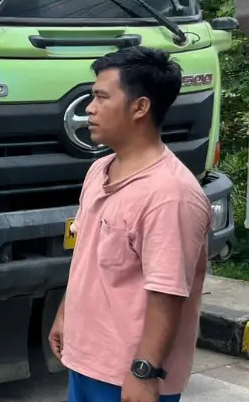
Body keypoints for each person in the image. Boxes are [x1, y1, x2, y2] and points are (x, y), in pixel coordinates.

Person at [49, 46, 212, 402]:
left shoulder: (171, 195)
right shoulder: (99, 170)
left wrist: (144, 373)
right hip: (87, 360)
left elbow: (167, 293)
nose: (89, 108)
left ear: (140, 107)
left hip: (127, 376)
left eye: (101, 97)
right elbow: (88, 258)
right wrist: (65, 314)